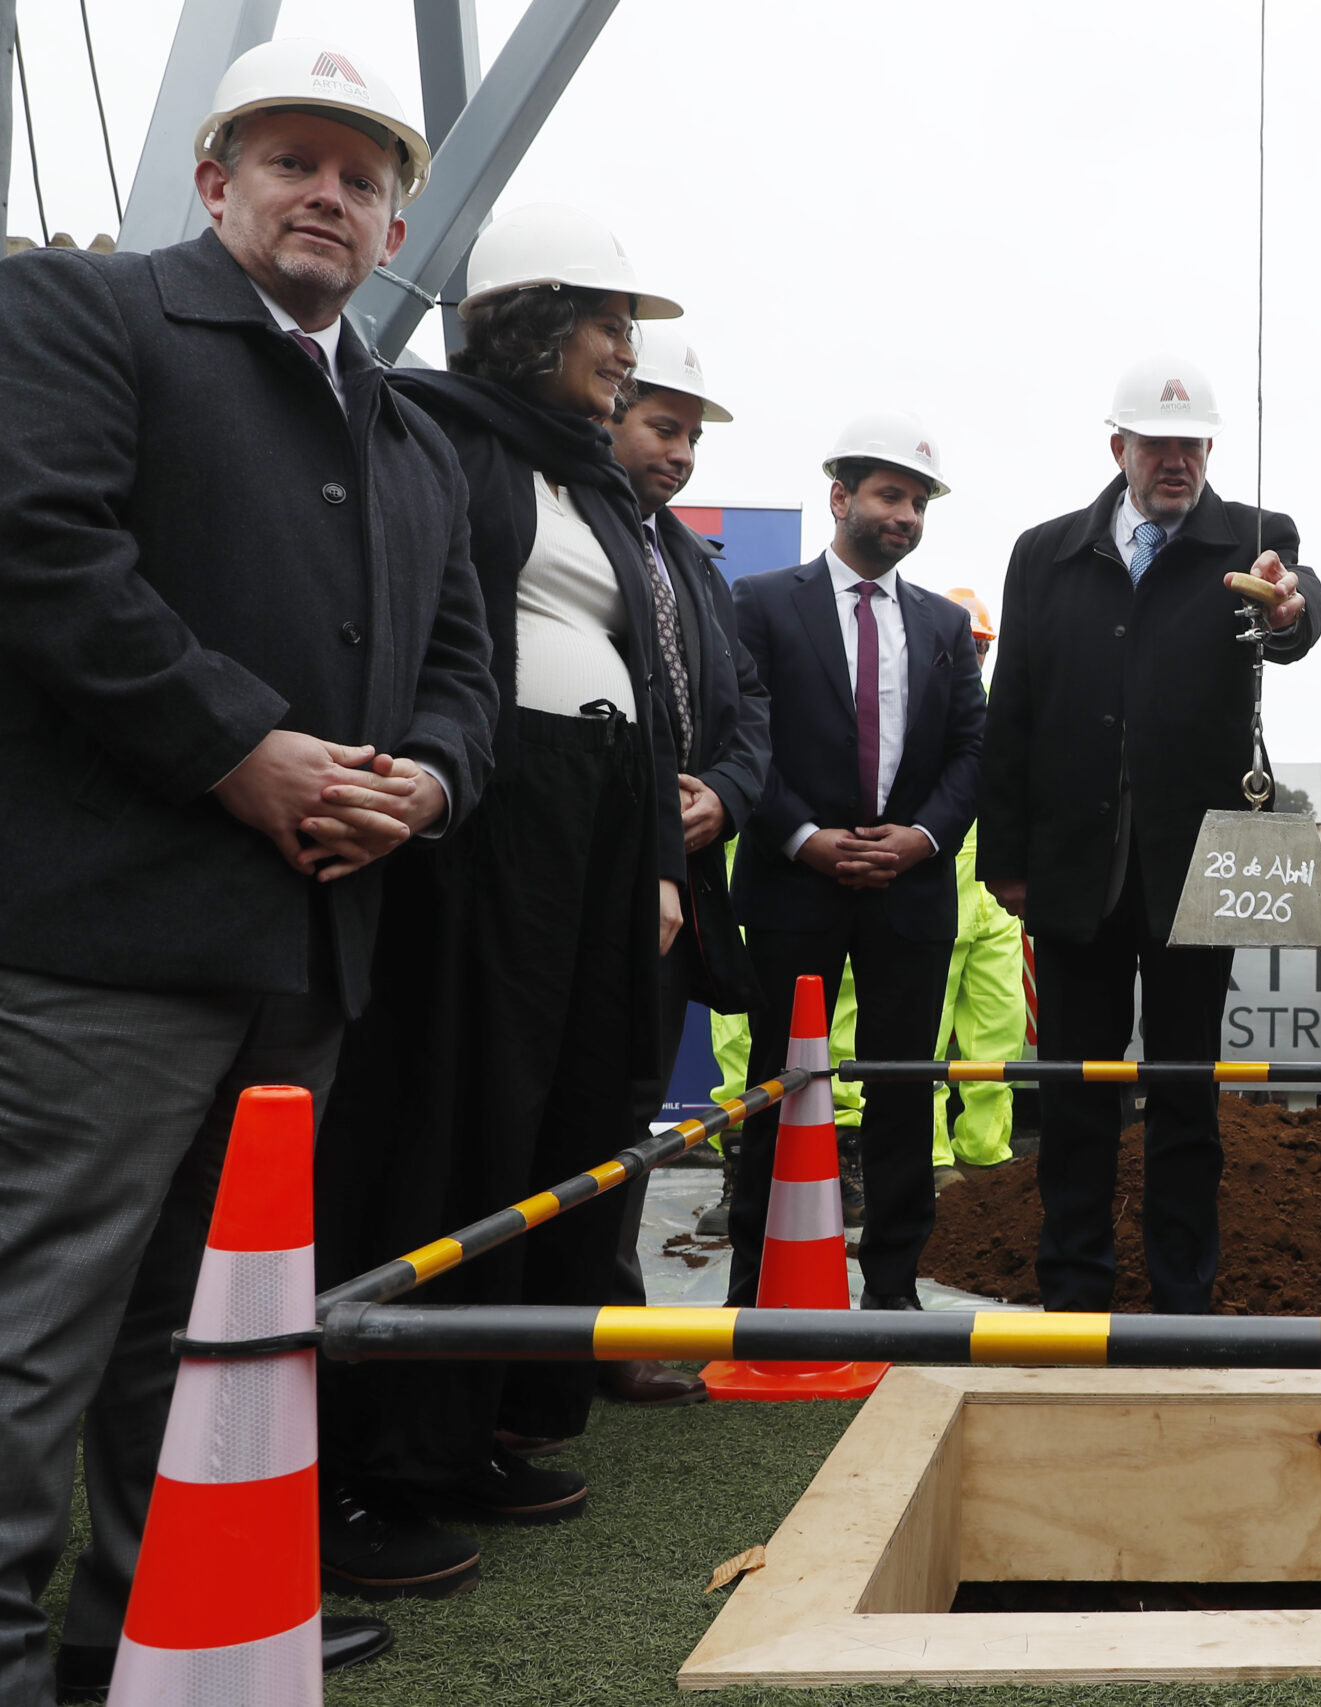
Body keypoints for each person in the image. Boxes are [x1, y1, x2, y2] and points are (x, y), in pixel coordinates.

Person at [0, 39, 495, 1697]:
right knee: (37, 1323)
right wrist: (246, 750)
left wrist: (419, 786)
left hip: (306, 955)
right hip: (110, 945)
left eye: (361, 178)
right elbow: (42, 549)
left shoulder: (415, 440)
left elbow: (457, 674)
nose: (328, 194)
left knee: (204, 1332)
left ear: (394, 229)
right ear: (216, 183)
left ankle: (146, 1634)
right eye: (291, 160)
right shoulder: (90, 321)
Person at [314, 201, 688, 1588]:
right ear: (531, 324)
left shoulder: (591, 480)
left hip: (592, 826)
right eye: (604, 328)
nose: (620, 356)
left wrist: (652, 852)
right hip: (483, 826)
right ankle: (379, 1451)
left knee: (567, 1113)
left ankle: (479, 1416)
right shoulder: (433, 431)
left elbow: (645, 690)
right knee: (458, 1111)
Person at [979, 356, 1321, 1313]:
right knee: (1074, 1091)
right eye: (1157, 444)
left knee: (1186, 1093)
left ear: (1210, 448)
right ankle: (1073, 1288)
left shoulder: (1255, 539)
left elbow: (1296, 610)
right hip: (1074, 869)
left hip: (1199, 868)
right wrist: (1007, 858)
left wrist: (1288, 608)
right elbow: (1013, 708)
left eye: (1191, 445)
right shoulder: (1043, 553)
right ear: (1117, 445)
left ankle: (1182, 1293)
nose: (1176, 462)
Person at [725, 413, 984, 1310]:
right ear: (840, 497)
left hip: (908, 889)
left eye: (916, 501)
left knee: (903, 1091)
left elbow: (971, 752)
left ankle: (894, 1288)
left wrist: (922, 838)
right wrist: (804, 837)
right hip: (796, 883)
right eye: (889, 495)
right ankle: (754, 1283)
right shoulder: (759, 603)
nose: (905, 515)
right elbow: (742, 738)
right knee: (774, 1085)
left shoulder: (947, 627)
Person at [601, 326, 768, 1401]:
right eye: (664, 427)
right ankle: (540, 1343)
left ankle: (603, 1330)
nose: (682, 454)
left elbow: (745, 705)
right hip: (587, 872)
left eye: (693, 435)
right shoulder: (564, 534)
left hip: (677, 888)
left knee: (621, 1113)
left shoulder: (693, 571)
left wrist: (726, 794)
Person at [929, 589, 1027, 1185]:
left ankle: (987, 1152)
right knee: (928, 1036)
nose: (975, 653)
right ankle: (933, 1156)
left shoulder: (1000, 713)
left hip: (994, 899)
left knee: (999, 1028)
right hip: (937, 890)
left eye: (983, 646)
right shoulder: (918, 710)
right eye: (967, 643)